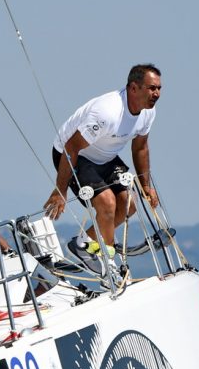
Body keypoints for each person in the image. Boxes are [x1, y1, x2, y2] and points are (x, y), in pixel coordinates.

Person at [43, 64, 162, 272]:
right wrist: (60, 190)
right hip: (73, 155)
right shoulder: (107, 112)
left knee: (129, 204)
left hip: (106, 156)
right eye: (152, 88)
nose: (157, 94)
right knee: (107, 203)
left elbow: (140, 148)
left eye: (159, 88)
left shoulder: (148, 112)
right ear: (134, 88)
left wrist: (146, 186)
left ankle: (84, 244)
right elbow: (71, 147)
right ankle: (109, 265)